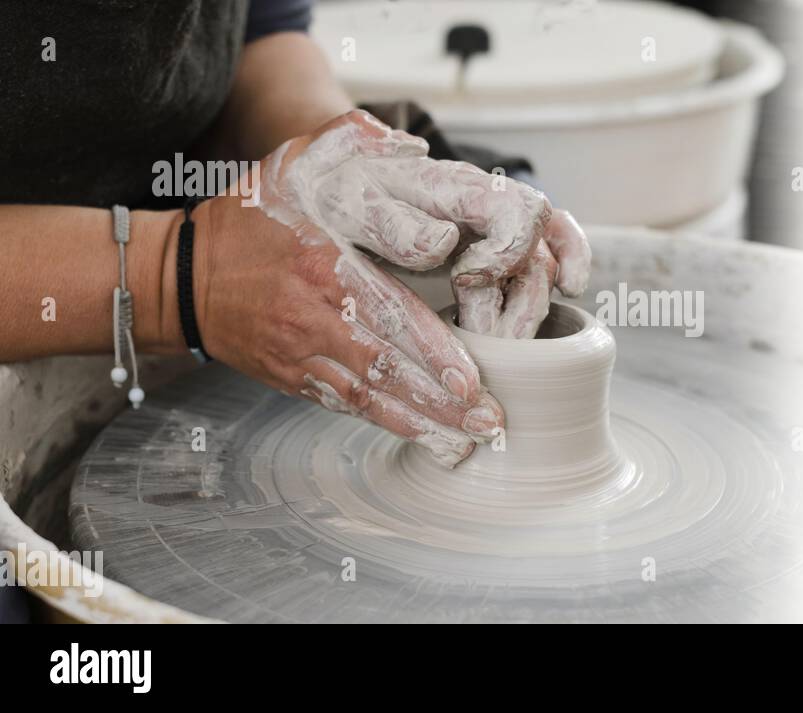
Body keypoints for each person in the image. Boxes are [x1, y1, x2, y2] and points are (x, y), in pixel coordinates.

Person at [0, 1, 592, 468]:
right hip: (44, 271)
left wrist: (343, 172)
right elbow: (184, 273)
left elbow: (262, 36)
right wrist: (178, 280)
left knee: (504, 189)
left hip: (177, 192)